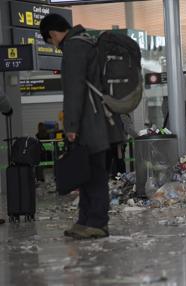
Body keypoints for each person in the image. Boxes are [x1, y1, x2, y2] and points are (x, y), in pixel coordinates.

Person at [40, 14, 124, 239]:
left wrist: (71, 125)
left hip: (91, 123)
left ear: (53, 34)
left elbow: (74, 91)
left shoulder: (74, 47)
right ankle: (84, 220)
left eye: (51, 41)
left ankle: (97, 222)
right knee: (86, 175)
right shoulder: (86, 41)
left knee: (95, 175)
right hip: (98, 120)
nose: (54, 46)